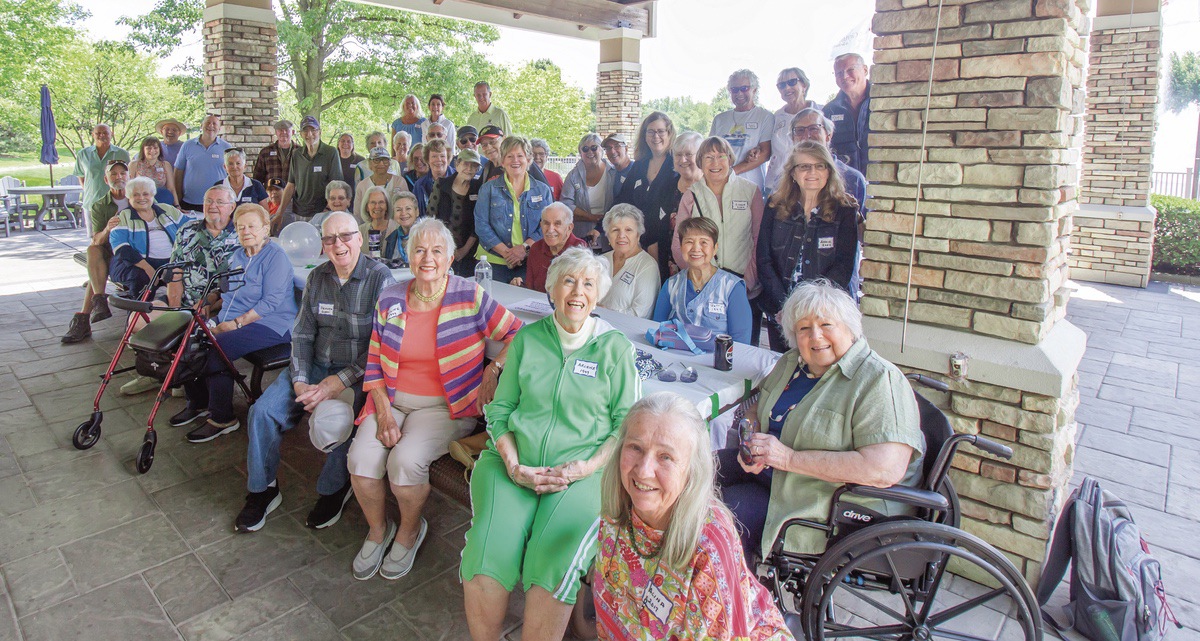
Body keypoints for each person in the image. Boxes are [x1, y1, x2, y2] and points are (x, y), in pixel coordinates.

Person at [461, 247, 639, 641]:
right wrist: (511, 464)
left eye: (588, 283)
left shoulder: (616, 350)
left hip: (581, 476)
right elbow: (500, 409)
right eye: (569, 281)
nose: (578, 291)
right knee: (487, 555)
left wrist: (586, 468)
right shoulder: (528, 339)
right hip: (512, 465)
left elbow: (624, 428)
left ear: (599, 294)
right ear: (553, 289)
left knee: (552, 563)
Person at [350, 217, 521, 581]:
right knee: (361, 458)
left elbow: (517, 334)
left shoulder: (468, 294)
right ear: (409, 255)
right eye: (419, 250)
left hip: (446, 405)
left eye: (436, 251)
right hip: (391, 400)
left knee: (405, 462)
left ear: (449, 259)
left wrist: (493, 370)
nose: (427, 257)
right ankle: (378, 531)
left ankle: (410, 531)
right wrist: (382, 413)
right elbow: (375, 359)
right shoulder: (391, 297)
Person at [717, 280, 923, 557]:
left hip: (814, 501)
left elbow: (883, 469)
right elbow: (756, 409)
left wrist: (788, 458)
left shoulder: (879, 381)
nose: (815, 336)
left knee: (720, 516)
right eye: (804, 328)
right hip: (767, 474)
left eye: (826, 325)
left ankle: (739, 595)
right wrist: (748, 440)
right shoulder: (792, 363)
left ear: (849, 328)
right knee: (689, 471)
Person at [235, 211, 396, 532]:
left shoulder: (381, 280)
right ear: (322, 244)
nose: (339, 245)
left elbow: (381, 346)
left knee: (347, 420)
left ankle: (334, 488)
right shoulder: (318, 277)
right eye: (330, 239)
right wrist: (298, 380)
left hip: (358, 372)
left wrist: (338, 382)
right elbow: (303, 334)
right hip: (313, 366)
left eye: (346, 236)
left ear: (360, 238)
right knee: (262, 412)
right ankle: (262, 489)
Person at [594, 392, 795, 641]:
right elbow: (609, 604)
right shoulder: (617, 509)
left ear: (691, 470)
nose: (644, 471)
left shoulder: (708, 545)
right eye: (636, 447)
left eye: (665, 457)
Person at [178, 204, 298, 444]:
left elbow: (270, 303)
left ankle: (222, 418)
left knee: (217, 347)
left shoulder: (276, 257)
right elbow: (226, 290)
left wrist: (234, 324)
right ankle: (199, 402)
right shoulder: (238, 255)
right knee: (189, 337)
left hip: (273, 324)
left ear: (265, 229)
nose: (246, 232)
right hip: (232, 317)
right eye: (240, 227)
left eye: (252, 226)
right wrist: (209, 306)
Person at [757, 142, 860, 352]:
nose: (812, 172)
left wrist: (810, 309)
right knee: (784, 371)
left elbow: (843, 267)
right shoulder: (775, 205)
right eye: (804, 166)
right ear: (793, 173)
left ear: (829, 171)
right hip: (781, 310)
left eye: (819, 166)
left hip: (825, 315)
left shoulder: (845, 210)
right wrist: (786, 307)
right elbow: (764, 259)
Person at [670, 136, 764, 339]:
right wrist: (696, 277)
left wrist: (749, 279)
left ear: (730, 159)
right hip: (701, 286)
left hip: (744, 285)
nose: (715, 163)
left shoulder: (750, 192)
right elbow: (679, 242)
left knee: (743, 350)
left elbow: (759, 240)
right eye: (708, 157)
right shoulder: (692, 195)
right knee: (702, 344)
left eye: (721, 156)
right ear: (700, 163)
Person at [654, 217, 752, 345]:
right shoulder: (671, 285)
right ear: (681, 246)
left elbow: (741, 343)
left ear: (715, 248)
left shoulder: (732, 287)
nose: (696, 248)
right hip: (675, 358)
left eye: (704, 242)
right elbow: (657, 329)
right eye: (689, 242)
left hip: (716, 362)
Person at [61, 160, 129, 344]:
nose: (119, 177)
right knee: (93, 250)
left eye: (123, 173)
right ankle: (98, 301)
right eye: (113, 174)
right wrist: (108, 228)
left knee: (95, 270)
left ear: (129, 177)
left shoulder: (139, 197)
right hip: (110, 250)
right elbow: (97, 239)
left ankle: (87, 314)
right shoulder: (100, 205)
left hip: (132, 249)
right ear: (106, 180)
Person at [473, 136, 554, 283]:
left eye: (520, 156)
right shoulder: (488, 189)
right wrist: (507, 253)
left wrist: (523, 249)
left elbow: (547, 225)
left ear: (529, 160)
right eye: (509, 156)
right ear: (502, 161)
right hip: (492, 262)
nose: (515, 160)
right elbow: (481, 225)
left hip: (530, 260)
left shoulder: (543, 191)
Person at [615, 113, 677, 277]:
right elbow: (623, 201)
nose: (656, 136)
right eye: (650, 132)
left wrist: (654, 243)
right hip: (636, 243)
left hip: (665, 246)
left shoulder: (676, 166)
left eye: (660, 131)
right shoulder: (639, 166)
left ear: (669, 133)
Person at [107, 176, 184, 299]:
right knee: (142, 277)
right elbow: (122, 249)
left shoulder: (168, 210)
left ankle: (180, 312)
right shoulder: (124, 216)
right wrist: (147, 268)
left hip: (170, 262)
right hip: (136, 264)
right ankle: (138, 314)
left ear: (153, 195)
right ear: (129, 197)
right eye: (136, 195)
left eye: (145, 194)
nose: (141, 198)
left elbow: (191, 229)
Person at [710, 69, 774, 193]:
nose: (739, 93)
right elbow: (709, 151)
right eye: (734, 89)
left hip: (750, 188)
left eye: (744, 88)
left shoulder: (765, 116)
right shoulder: (720, 119)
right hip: (720, 186)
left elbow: (765, 154)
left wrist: (731, 172)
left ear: (754, 89)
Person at [789, 108, 867, 210]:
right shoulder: (785, 179)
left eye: (814, 128)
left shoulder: (853, 178)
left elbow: (863, 224)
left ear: (828, 135)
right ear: (792, 138)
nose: (807, 136)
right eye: (800, 130)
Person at [766, 67, 822, 194]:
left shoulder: (821, 113)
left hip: (810, 182)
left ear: (804, 85)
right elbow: (768, 147)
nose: (786, 88)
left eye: (792, 82)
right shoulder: (776, 117)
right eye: (781, 85)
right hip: (777, 185)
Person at [598, 204, 660, 318]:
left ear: (638, 234)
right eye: (615, 230)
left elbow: (640, 313)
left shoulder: (647, 266)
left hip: (626, 333)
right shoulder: (600, 261)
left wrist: (605, 313)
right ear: (607, 234)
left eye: (628, 230)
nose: (621, 235)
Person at [428, 149, 483, 276]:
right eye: (466, 164)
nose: (469, 169)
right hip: (441, 247)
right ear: (457, 164)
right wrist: (444, 248)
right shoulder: (441, 184)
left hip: (469, 249)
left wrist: (464, 250)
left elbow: (479, 222)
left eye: (474, 166)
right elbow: (431, 218)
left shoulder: (478, 188)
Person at [279, 116, 344, 222]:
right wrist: (279, 213)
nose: (309, 134)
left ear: (320, 132)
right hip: (299, 212)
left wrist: (327, 209)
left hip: (323, 212)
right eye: (305, 130)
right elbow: (291, 185)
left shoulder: (331, 153)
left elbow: (337, 185)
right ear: (300, 133)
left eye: (313, 130)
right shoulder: (296, 154)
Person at [516, 202, 587, 293]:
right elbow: (531, 289)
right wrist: (520, 284)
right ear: (541, 225)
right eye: (546, 223)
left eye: (557, 224)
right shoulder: (536, 248)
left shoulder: (580, 250)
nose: (550, 230)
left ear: (569, 227)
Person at [560, 133, 618, 243]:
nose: (590, 152)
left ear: (602, 150)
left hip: (610, 234)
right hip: (581, 235)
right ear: (580, 153)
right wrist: (591, 217)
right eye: (585, 149)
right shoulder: (573, 176)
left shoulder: (614, 173)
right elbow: (566, 204)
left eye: (594, 148)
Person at [823, 53, 872, 174]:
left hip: (882, 181)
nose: (844, 76)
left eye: (850, 70)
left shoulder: (883, 102)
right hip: (845, 182)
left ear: (865, 70)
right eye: (839, 73)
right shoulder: (829, 110)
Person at [174, 114, 232, 214]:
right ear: (201, 126)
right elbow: (178, 171)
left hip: (218, 203)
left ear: (219, 128)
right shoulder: (188, 145)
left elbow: (232, 173)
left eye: (214, 123)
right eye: (208, 123)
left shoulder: (226, 147)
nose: (211, 125)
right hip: (190, 201)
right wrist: (178, 198)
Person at [73, 124, 131, 217]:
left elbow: (128, 177)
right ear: (93, 135)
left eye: (105, 133)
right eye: (98, 133)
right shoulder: (83, 154)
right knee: (93, 232)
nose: (102, 135)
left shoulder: (122, 153)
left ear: (111, 134)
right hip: (91, 204)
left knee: (117, 231)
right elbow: (81, 177)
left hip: (116, 204)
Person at [353, 148, 405, 221]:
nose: (381, 164)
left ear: (389, 163)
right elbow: (358, 214)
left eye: (385, 160)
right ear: (369, 163)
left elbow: (406, 206)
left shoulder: (400, 182)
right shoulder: (362, 185)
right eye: (376, 160)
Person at [127, 136, 180, 206]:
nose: (152, 151)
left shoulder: (165, 165)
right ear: (143, 150)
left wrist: (177, 206)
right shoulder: (134, 164)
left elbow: (171, 188)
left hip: (161, 202)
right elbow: (129, 188)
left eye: (155, 148)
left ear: (160, 149)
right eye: (149, 148)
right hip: (140, 202)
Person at [252, 120, 296, 195]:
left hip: (295, 197)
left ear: (293, 132)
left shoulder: (301, 152)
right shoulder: (265, 152)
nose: (283, 132)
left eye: (286, 130)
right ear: (276, 132)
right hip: (271, 198)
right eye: (280, 130)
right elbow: (257, 178)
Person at [356, 185, 397, 259]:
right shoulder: (359, 231)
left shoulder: (397, 228)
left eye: (381, 202)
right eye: (373, 202)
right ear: (367, 207)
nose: (377, 206)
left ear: (387, 206)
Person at [414, 139, 452, 216]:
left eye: (442, 156)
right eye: (434, 156)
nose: (438, 160)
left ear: (448, 159)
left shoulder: (458, 179)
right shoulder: (419, 185)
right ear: (427, 160)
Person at [383, 191, 420, 264]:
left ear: (417, 212)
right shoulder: (391, 239)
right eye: (398, 210)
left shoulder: (427, 234)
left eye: (408, 208)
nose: (403, 213)